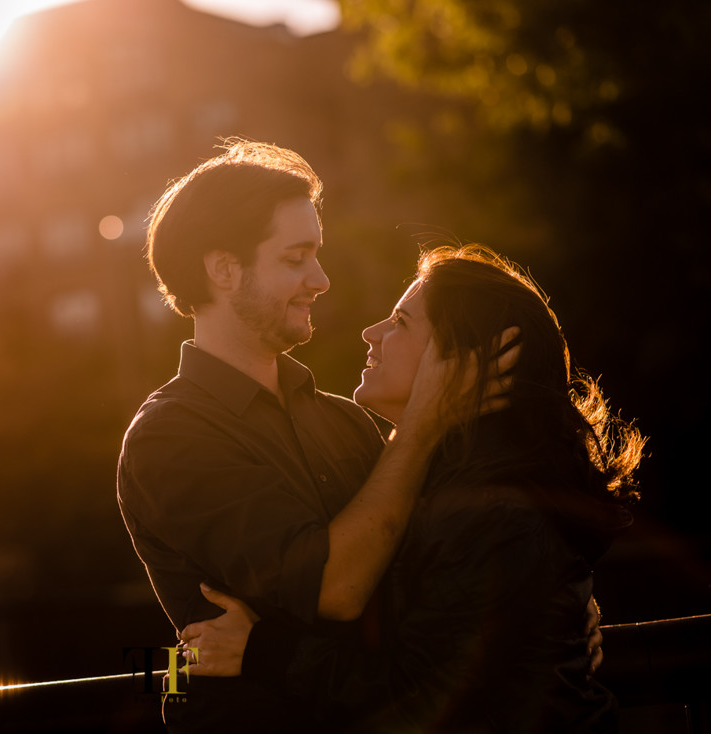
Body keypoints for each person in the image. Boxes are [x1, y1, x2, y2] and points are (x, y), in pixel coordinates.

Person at [116, 139, 529, 731]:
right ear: (224, 270)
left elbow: (432, 572)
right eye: (295, 259)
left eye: (317, 255)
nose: (321, 279)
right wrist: (418, 429)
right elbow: (335, 588)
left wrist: (540, 616)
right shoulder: (169, 437)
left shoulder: (347, 420)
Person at [179, 245, 643, 732]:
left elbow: (418, 703)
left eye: (400, 322)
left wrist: (260, 651)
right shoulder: (441, 484)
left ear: (462, 360)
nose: (371, 332)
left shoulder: (494, 513)